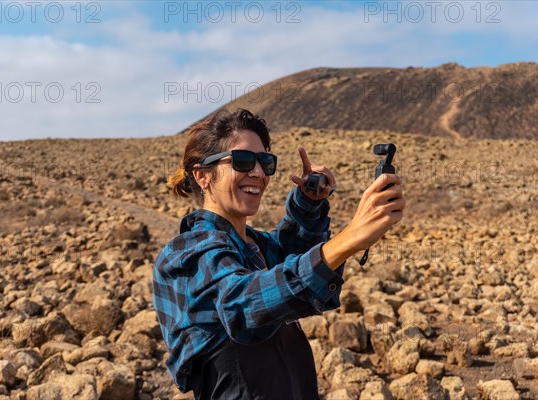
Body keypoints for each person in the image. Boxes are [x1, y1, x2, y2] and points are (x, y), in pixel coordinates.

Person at [152, 108, 405, 400]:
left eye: (265, 162)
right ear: (202, 176)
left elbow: (289, 263)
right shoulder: (187, 253)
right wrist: (347, 239)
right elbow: (244, 302)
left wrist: (308, 203)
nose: (258, 173)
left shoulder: (253, 246)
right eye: (243, 161)